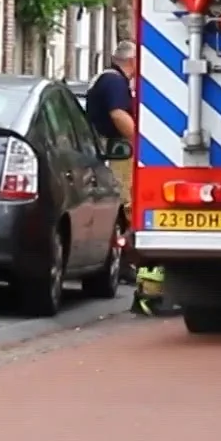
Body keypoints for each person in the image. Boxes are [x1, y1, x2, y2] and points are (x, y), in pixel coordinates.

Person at [84, 43, 153, 309]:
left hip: (109, 149)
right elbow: (118, 114)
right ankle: (125, 262)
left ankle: (122, 261)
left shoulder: (105, 79)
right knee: (126, 204)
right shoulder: (114, 82)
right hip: (117, 150)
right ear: (133, 61)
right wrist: (140, 143)